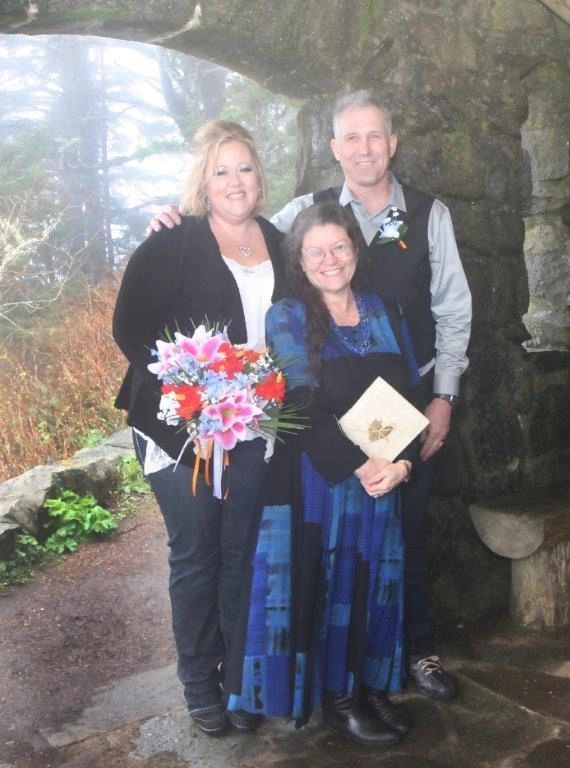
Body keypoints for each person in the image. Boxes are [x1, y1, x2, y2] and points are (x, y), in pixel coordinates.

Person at [148, 90, 472, 700]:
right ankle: (309, 683)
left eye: (374, 136)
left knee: (407, 536)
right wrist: (177, 218)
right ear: (334, 149)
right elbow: (240, 214)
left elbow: (454, 310)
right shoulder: (310, 216)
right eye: (350, 138)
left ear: (392, 142)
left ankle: (411, 655)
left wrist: (441, 398)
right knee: (311, 555)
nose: (363, 149)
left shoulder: (429, 215)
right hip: (327, 428)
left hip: (408, 401)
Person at [223, 201, 424, 745]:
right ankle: (340, 701)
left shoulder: (386, 310)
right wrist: (362, 465)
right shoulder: (286, 315)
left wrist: (402, 462)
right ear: (301, 262)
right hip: (323, 478)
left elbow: (410, 396)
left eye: (339, 247)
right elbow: (302, 404)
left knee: (382, 581)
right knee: (338, 587)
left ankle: (374, 687)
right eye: (316, 251)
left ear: (355, 251)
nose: (330, 259)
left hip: (385, 474)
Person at [112, 120, 286, 737]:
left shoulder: (280, 240)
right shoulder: (172, 241)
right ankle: (199, 686)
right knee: (197, 554)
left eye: (244, 168)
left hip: (254, 426)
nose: (234, 182)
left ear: (258, 177)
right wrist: (193, 405)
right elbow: (131, 329)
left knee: (242, 553)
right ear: (202, 181)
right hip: (177, 428)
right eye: (221, 170)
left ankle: (238, 677)